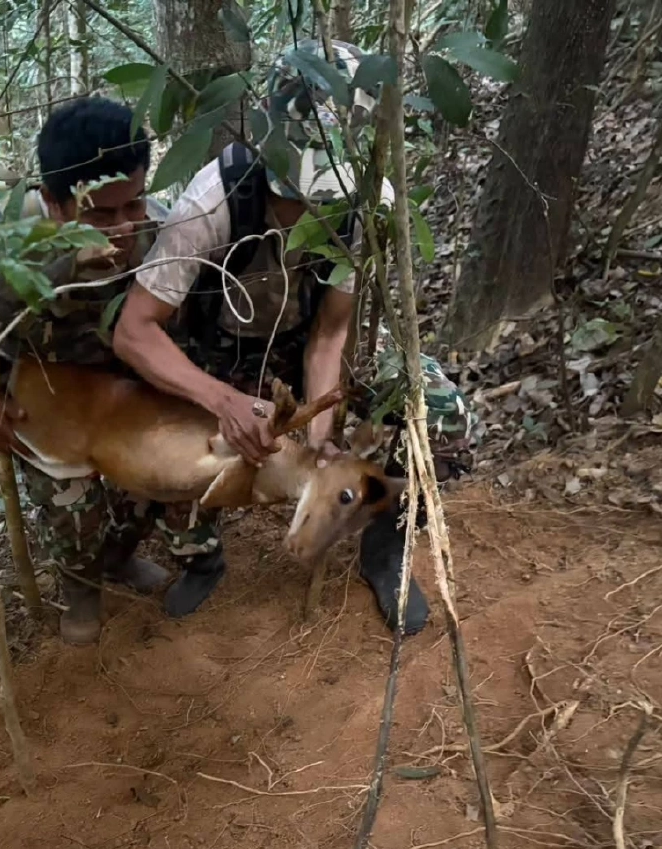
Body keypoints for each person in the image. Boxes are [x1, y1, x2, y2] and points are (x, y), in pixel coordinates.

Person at [112, 40, 480, 636]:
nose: (303, 207)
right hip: (219, 355)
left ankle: (386, 551)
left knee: (438, 409)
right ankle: (200, 556)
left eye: (319, 195)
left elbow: (331, 334)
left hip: (306, 346)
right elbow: (135, 331)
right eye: (290, 191)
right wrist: (222, 400)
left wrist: (319, 440)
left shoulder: (369, 208)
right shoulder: (211, 201)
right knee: (169, 444)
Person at [0, 95, 223, 646]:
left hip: (132, 393)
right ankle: (83, 584)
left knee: (163, 474)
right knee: (71, 508)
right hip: (50, 402)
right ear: (53, 202)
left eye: (135, 204)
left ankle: (121, 556)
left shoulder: (161, 232)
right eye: (101, 214)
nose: (125, 226)